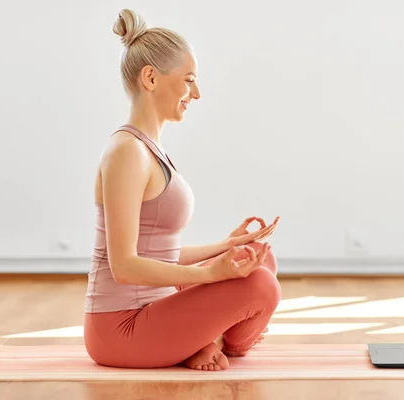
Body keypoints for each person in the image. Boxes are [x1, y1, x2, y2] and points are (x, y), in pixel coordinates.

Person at [83, 8, 282, 372]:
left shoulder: (147, 148)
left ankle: (206, 340)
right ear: (151, 78)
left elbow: (161, 255)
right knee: (261, 288)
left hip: (156, 307)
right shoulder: (127, 153)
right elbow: (125, 267)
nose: (197, 93)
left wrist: (228, 247)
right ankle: (218, 340)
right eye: (189, 80)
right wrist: (210, 275)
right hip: (120, 327)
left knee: (256, 256)